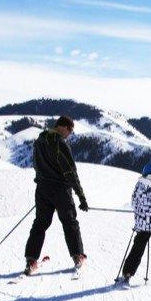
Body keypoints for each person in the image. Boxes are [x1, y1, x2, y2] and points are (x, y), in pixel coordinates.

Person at [24, 115, 88, 274]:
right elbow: (70, 173)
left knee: (40, 223)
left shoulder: (40, 141)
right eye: (70, 130)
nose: (70, 134)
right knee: (70, 223)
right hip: (61, 191)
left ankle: (31, 260)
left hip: (42, 188)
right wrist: (81, 197)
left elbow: (35, 164)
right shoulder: (60, 144)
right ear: (63, 127)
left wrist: (42, 182)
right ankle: (78, 256)